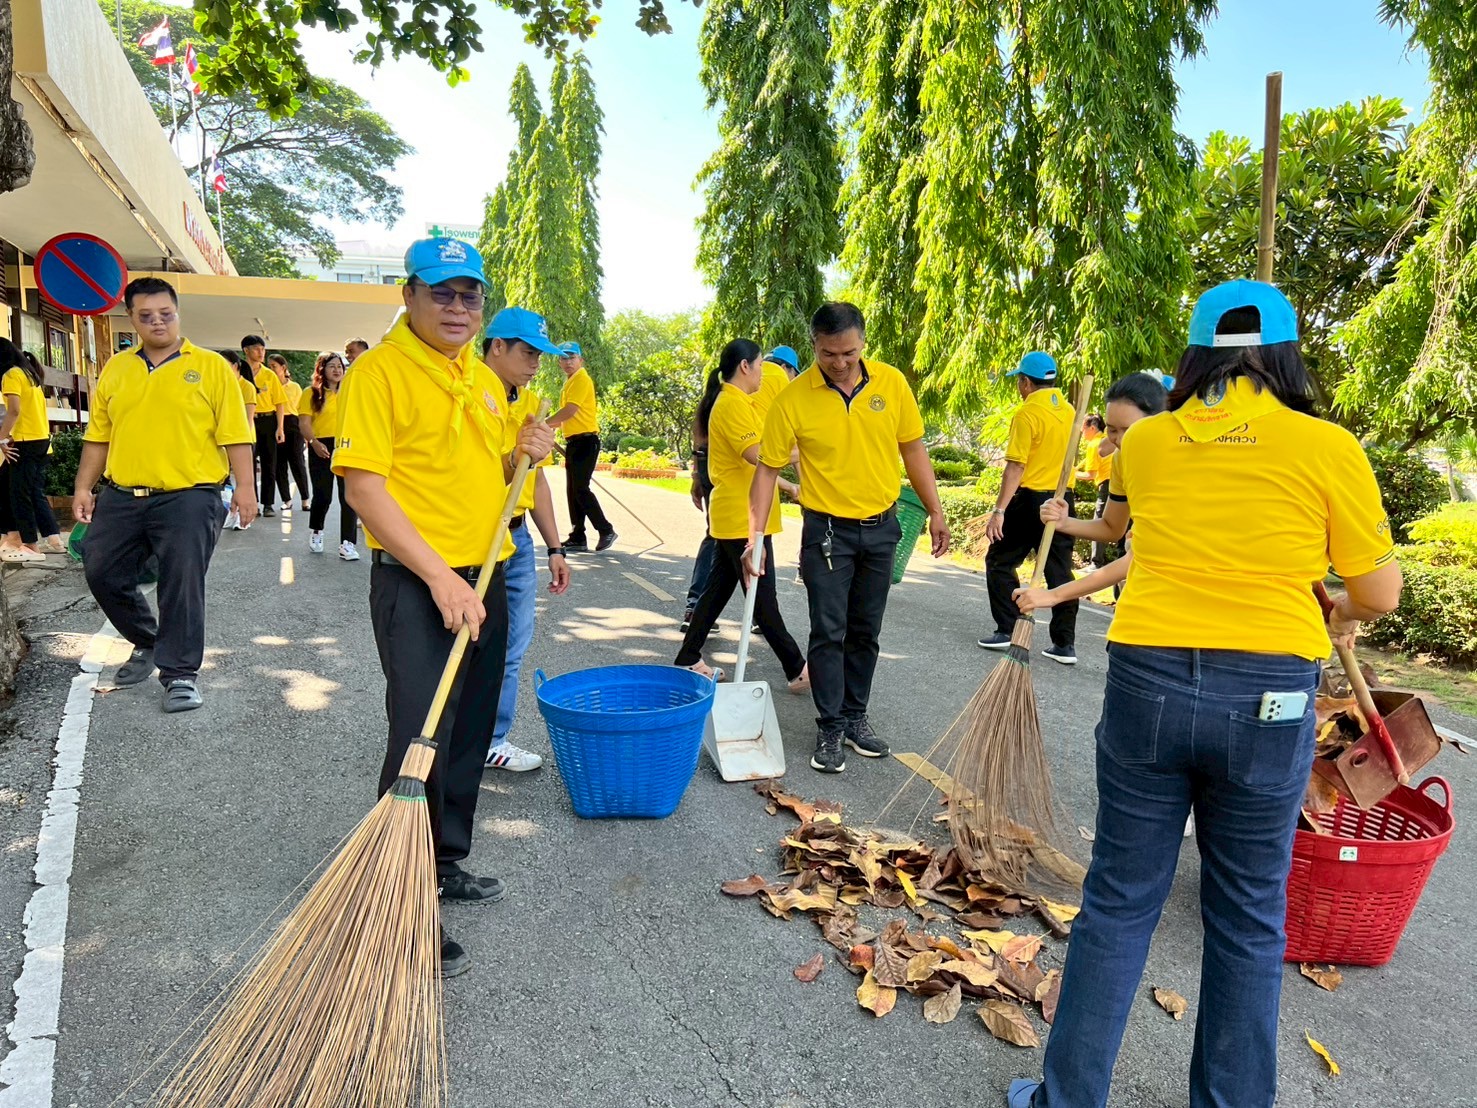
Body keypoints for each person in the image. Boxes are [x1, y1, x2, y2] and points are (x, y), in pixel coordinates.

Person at [1007, 281, 1403, 1108]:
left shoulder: (1146, 441)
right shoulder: (1326, 446)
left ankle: (1065, 1099)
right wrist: (1338, 608)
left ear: (1194, 354)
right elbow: (1379, 594)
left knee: (1118, 901)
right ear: (1283, 354)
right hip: (1269, 694)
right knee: (1249, 916)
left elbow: (1120, 531)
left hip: (1146, 678)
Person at [333, 237, 555, 978]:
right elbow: (365, 490)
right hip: (417, 580)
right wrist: (438, 577)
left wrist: (522, 451)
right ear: (409, 296)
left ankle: (443, 860)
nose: (457, 308)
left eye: (470, 295)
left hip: (481, 572)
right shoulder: (379, 373)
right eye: (442, 293)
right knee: (419, 736)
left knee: (467, 730)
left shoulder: (481, 379)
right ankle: (397, 899)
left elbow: (490, 472)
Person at [751, 302, 950, 773]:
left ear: (862, 342)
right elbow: (767, 470)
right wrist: (754, 536)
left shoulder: (891, 383)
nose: (839, 362)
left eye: (849, 352)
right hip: (827, 532)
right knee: (828, 630)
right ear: (814, 346)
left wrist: (936, 510)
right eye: (828, 354)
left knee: (866, 630)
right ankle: (830, 725)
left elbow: (913, 449)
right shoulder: (792, 398)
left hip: (882, 528)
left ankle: (856, 716)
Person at [74, 277, 257, 712]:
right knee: (101, 570)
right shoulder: (117, 368)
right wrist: (83, 486)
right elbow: (99, 436)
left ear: (177, 313)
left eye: (166, 314)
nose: (157, 322)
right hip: (122, 494)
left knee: (181, 584)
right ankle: (149, 640)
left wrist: (246, 489)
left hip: (189, 496)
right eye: (146, 315)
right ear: (132, 318)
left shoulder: (211, 367)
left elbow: (236, 434)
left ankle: (180, 676)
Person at [674, 338, 807, 689]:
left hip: (739, 513)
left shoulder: (739, 401)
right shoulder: (731, 404)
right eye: (761, 365)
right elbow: (757, 454)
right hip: (742, 516)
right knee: (762, 600)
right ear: (745, 366)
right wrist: (805, 448)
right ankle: (797, 668)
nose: (764, 373)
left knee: (717, 590)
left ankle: (688, 657)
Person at [479, 309, 572, 773]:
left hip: (517, 540)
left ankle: (493, 739)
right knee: (467, 646)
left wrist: (554, 547)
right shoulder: (469, 394)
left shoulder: (532, 402)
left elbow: (536, 481)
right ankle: (454, 739)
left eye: (540, 355)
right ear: (497, 346)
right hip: (476, 536)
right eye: (528, 352)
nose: (536, 363)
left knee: (511, 649)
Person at [1012, 373, 1169, 614]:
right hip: (1140, 592)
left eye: (1129, 429)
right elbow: (1111, 528)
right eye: (1112, 430)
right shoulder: (1122, 460)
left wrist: (1054, 595)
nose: (1119, 440)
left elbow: (1136, 559)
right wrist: (1064, 522)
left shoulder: (1177, 465)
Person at [977, 350, 1079, 665]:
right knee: (1059, 571)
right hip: (1063, 500)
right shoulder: (1070, 410)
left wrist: (999, 511)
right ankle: (1064, 645)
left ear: (1025, 382)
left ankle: (1007, 628)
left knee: (999, 560)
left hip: (1031, 500)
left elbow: (1016, 467)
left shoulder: (1027, 413)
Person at [550, 342, 616, 553]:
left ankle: (606, 530)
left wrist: (544, 424)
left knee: (580, 488)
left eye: (572, 357)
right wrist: (550, 427)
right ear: (559, 362)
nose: (567, 362)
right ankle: (578, 536)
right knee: (573, 490)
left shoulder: (581, 379)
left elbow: (569, 411)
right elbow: (567, 417)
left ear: (581, 360)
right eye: (563, 358)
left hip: (586, 441)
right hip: (575, 442)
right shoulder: (570, 382)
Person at [0, 342, 62, 562]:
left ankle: (29, 545)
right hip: (41, 441)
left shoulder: (10, 375)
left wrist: (1, 438)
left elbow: (14, 410)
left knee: (19, 494)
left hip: (26, 442)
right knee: (28, 490)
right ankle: (54, 540)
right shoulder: (29, 374)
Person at [299, 351, 359, 559]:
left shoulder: (350, 392)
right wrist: (313, 442)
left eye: (340, 366)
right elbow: (304, 423)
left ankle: (348, 543)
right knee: (323, 494)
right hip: (320, 445)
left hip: (346, 446)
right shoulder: (311, 393)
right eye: (332, 366)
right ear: (322, 369)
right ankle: (317, 531)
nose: (337, 370)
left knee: (348, 496)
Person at [244, 335, 286, 518]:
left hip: (268, 420)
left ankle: (268, 503)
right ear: (246, 350)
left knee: (269, 463)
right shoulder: (239, 372)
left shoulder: (269, 375)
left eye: (263, 349)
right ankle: (251, 503)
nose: (261, 353)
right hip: (247, 420)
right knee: (248, 463)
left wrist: (280, 427)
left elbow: (280, 402)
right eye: (256, 349)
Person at [269, 353, 311, 513]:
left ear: (283, 368)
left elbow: (300, 409)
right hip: (275, 423)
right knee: (279, 464)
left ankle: (305, 499)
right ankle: (286, 500)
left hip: (293, 424)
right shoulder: (269, 385)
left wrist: (305, 431)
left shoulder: (294, 387)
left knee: (297, 462)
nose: (271, 369)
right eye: (269, 366)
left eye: (274, 366)